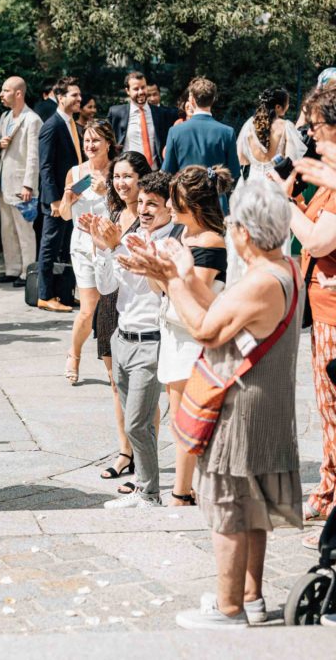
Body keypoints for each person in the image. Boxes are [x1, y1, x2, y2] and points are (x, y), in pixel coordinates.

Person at [122, 181, 302, 629]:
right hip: (269, 401)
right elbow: (224, 312)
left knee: (228, 504)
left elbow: (204, 328)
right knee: (254, 505)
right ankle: (251, 597)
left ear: (243, 230)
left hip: (243, 405)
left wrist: (174, 276)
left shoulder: (261, 281)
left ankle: (228, 609)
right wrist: (175, 276)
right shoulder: (286, 269)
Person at [91, 170, 177, 509]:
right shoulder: (128, 237)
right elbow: (107, 288)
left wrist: (134, 255)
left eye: (152, 204)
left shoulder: (172, 243)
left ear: (169, 208)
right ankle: (144, 488)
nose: (143, 210)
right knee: (135, 423)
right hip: (121, 337)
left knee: (138, 423)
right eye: (141, 202)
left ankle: (151, 494)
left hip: (151, 340)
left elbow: (165, 290)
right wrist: (102, 251)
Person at [154, 166, 229, 507]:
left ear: (194, 204)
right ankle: (186, 488)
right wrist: (151, 267)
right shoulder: (183, 235)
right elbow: (167, 291)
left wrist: (168, 268)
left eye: (175, 199)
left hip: (193, 336)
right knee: (177, 417)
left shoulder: (212, 240)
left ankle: (181, 492)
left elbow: (197, 292)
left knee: (191, 417)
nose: (169, 205)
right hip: (173, 332)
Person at [79, 152, 153, 481]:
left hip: (141, 308)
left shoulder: (151, 216)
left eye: (128, 177)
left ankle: (143, 454)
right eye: (117, 177)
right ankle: (126, 451)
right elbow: (102, 267)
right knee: (115, 385)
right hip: (110, 305)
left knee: (143, 393)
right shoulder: (113, 212)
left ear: (142, 179)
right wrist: (98, 244)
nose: (121, 183)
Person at [287, 83, 336, 534]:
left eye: (315, 126)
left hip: (334, 315)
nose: (310, 135)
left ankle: (329, 497)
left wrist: (284, 207)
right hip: (323, 308)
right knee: (327, 409)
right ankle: (328, 492)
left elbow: (320, 240)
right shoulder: (326, 176)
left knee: (333, 408)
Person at [59, 120, 117, 384]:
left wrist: (107, 192)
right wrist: (69, 199)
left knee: (113, 307)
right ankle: (74, 353)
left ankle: (112, 362)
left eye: (96, 141)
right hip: (83, 246)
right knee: (89, 307)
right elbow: (63, 214)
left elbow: (124, 209)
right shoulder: (75, 172)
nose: (91, 146)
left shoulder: (117, 171)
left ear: (108, 143)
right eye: (87, 141)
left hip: (110, 245)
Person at [36, 76, 84, 312]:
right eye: (74, 95)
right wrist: (54, 198)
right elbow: (45, 166)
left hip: (72, 195)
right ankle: (45, 295)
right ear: (60, 97)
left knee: (67, 246)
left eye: (79, 95)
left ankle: (65, 294)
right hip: (56, 200)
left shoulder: (73, 124)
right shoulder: (52, 125)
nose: (79, 99)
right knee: (50, 246)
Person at [0, 76, 42, 287]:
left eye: (5, 90)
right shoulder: (5, 116)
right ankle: (12, 268)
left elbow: (34, 155)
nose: (1, 95)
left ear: (18, 93)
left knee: (24, 229)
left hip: (22, 184)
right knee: (7, 228)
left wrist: (29, 184)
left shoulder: (33, 120)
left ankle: (27, 271)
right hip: (4, 181)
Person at [161, 78, 240, 211]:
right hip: (216, 201)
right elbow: (234, 171)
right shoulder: (227, 132)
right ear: (214, 99)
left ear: (191, 100)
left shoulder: (175, 131)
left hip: (186, 199)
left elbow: (167, 172)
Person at [235, 87, 307, 186]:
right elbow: (293, 159)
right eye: (287, 103)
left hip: (252, 183)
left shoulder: (249, 124)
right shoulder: (286, 126)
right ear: (278, 107)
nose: (288, 106)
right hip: (275, 182)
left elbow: (242, 158)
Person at [107, 71, 172, 169]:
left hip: (155, 172)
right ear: (127, 91)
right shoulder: (116, 113)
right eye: (136, 89)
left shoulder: (160, 113)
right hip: (129, 173)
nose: (141, 92)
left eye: (143, 87)